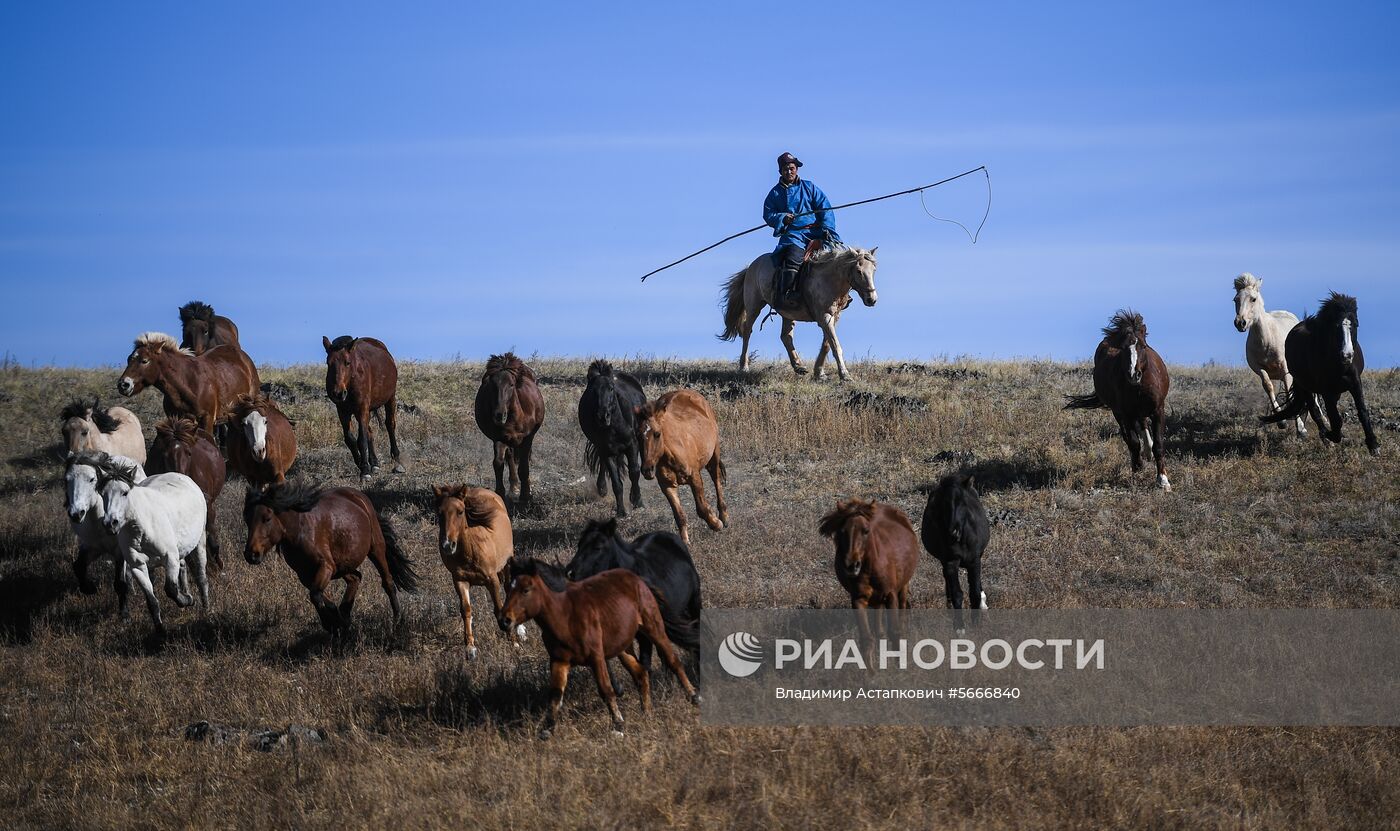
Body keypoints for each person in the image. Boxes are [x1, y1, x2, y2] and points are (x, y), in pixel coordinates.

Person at [763, 152, 842, 306]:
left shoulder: (810, 187)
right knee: (794, 256)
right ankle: (786, 293)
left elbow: (825, 208)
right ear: (780, 171)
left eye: (792, 168)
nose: (789, 171)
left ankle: (841, 292)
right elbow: (768, 214)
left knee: (839, 254)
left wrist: (827, 228)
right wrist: (783, 217)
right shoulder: (774, 193)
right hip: (793, 235)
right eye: (786, 169)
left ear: (797, 169)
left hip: (816, 231)